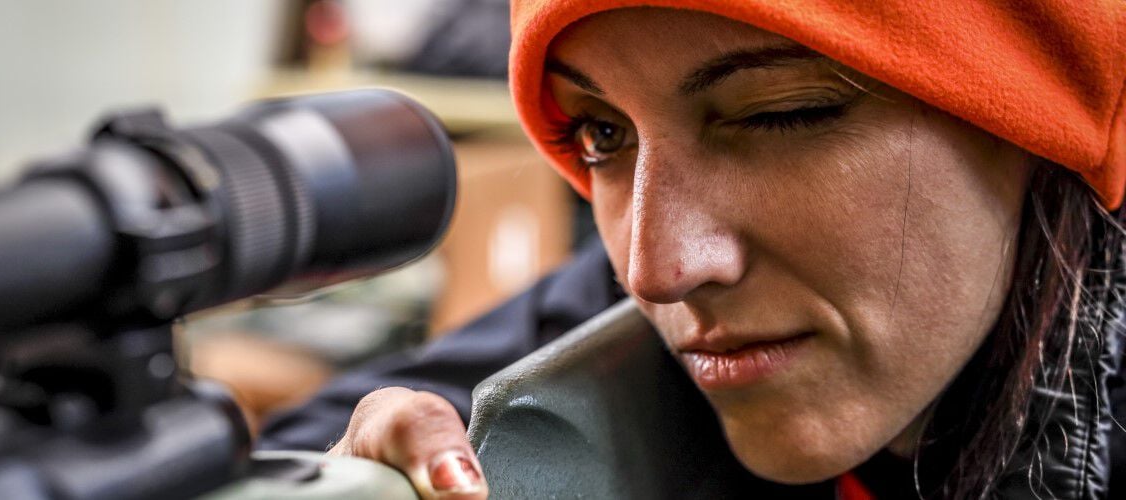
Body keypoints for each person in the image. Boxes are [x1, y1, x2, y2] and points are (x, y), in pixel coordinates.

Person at [261, 1, 1126, 498]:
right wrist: (372, 461)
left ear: (1040, 124)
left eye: (776, 111)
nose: (652, 269)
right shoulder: (638, 312)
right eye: (602, 132)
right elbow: (320, 436)